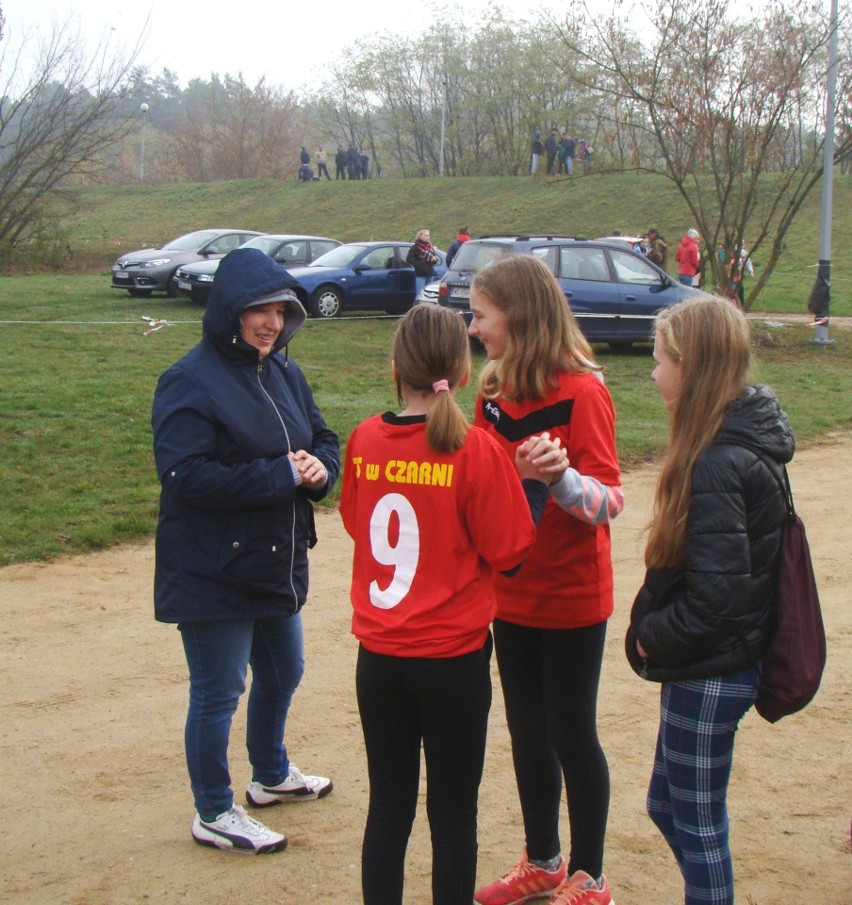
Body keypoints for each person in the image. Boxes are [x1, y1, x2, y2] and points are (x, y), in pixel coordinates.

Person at [340, 305, 566, 905]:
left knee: (387, 807)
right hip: (452, 662)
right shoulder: (476, 450)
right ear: (464, 374)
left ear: (395, 368)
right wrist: (532, 486)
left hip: (380, 658)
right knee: (452, 815)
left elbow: (357, 525)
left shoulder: (364, 438)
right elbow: (512, 553)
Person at [152, 247, 340, 854]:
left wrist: (319, 469)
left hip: (273, 560)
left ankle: (270, 773)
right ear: (228, 311)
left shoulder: (284, 373)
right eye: (258, 309)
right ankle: (213, 810)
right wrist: (279, 475)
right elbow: (184, 477)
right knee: (219, 689)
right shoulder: (188, 380)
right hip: (212, 566)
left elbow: (322, 437)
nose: (271, 322)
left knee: (285, 670)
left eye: (281, 310)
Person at [625, 297, 794, 905]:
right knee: (666, 806)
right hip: (708, 663)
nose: (652, 371)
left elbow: (718, 601)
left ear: (691, 368)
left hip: (713, 670)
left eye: (659, 358)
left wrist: (651, 636)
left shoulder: (720, 461)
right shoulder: (726, 444)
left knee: (697, 828)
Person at [469, 255, 623, 905]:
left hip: (572, 595)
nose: (473, 329)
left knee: (569, 730)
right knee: (527, 731)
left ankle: (590, 874)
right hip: (514, 594)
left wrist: (559, 478)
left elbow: (609, 501)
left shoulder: (584, 391)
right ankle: (544, 859)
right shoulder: (493, 392)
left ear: (519, 316)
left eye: (481, 316)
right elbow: (481, 490)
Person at [405, 228, 440, 296]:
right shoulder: (415, 247)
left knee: (430, 294)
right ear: (420, 236)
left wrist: (435, 260)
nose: (427, 237)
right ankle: (419, 306)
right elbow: (409, 258)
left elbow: (432, 258)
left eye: (428, 235)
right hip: (420, 273)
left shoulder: (430, 247)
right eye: (425, 235)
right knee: (420, 294)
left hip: (430, 272)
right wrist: (418, 266)